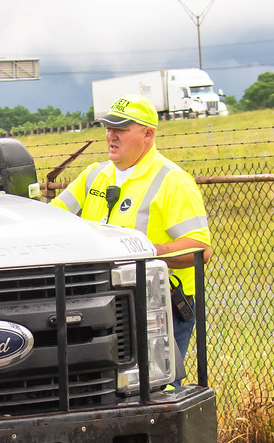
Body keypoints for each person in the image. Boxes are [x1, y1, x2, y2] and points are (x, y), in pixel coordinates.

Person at [51, 96, 210, 378]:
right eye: (108, 128)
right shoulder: (94, 176)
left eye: (121, 129)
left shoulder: (173, 181)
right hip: (94, 300)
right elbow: (50, 220)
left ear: (148, 134)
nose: (111, 135)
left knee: (154, 386)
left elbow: (200, 249)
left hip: (154, 305)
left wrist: (144, 251)